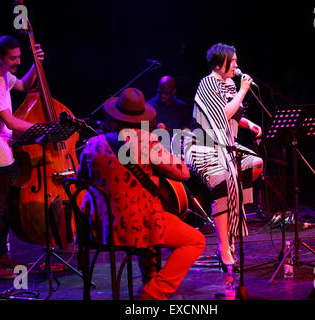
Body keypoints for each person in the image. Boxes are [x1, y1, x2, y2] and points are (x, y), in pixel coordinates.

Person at [77, 88, 205, 300]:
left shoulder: (93, 143)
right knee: (196, 240)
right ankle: (154, 293)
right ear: (141, 118)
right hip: (139, 225)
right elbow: (182, 172)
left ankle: (150, 278)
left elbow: (82, 181)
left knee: (146, 217)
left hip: (101, 227)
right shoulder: (146, 142)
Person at [182, 43, 263, 271]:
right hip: (202, 145)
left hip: (226, 145)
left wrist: (248, 123)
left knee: (256, 163)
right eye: (233, 60)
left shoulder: (227, 83)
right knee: (223, 182)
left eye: (237, 60)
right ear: (219, 64)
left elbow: (232, 112)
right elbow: (221, 115)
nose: (237, 64)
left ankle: (232, 210)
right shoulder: (208, 83)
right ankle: (224, 247)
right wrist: (243, 90)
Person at [0, 35, 44, 279]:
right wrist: (40, 129)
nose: (17, 62)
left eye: (19, 57)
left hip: (3, 149)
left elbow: (24, 85)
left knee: (1, 209)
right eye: (13, 59)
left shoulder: (2, 74)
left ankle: (0, 256)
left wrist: (36, 64)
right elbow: (10, 121)